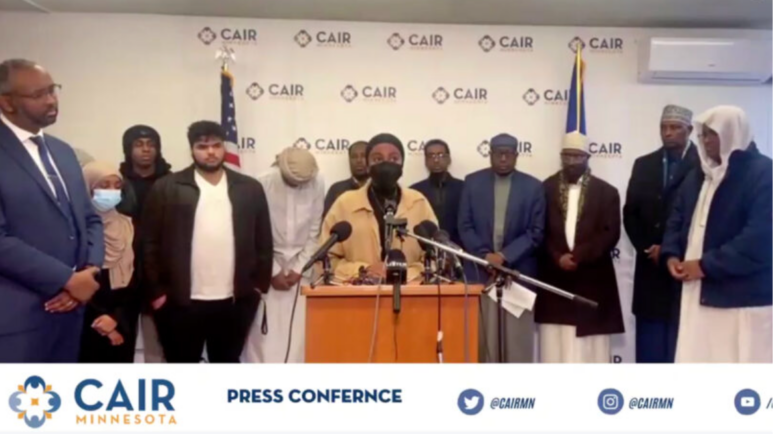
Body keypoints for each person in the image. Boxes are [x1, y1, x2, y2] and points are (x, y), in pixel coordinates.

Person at [143, 120, 273, 363]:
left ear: (224, 147)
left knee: (226, 364)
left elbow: (263, 240)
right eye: (203, 146)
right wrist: (157, 292)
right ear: (192, 149)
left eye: (216, 145)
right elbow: (149, 243)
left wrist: (257, 288)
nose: (210, 152)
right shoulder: (167, 187)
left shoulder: (249, 188)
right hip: (179, 301)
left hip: (235, 301)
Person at [0, 59, 103, 362]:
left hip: (70, 315)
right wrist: (65, 279)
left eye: (52, 90)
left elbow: (90, 219)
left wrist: (88, 272)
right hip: (17, 320)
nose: (51, 100)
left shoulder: (63, 151)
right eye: (38, 94)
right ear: (7, 102)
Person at [662, 105, 772, 363]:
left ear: (732, 132)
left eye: (713, 133)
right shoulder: (698, 175)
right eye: (703, 134)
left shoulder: (764, 173)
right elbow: (676, 221)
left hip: (741, 299)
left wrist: (705, 266)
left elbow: (760, 239)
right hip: (696, 291)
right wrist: (671, 255)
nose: (706, 141)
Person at [535, 132, 624, 363]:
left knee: (590, 351)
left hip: (592, 279)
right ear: (561, 157)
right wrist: (557, 257)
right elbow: (538, 230)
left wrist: (578, 256)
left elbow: (609, 233)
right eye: (567, 156)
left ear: (587, 157)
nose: (572, 162)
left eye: (577, 156)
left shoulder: (606, 192)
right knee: (555, 347)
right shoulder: (544, 188)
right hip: (555, 278)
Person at [623, 104, 700, 363]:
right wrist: (648, 247)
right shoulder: (644, 164)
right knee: (650, 349)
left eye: (675, 127)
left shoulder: (704, 166)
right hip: (650, 268)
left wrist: (669, 249)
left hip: (685, 267)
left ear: (689, 130)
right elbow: (630, 213)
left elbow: (701, 217)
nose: (668, 133)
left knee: (682, 349)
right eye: (664, 127)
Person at [458, 133, 545, 363]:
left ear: (516, 155)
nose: (503, 159)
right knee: (483, 340)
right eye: (498, 154)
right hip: (481, 272)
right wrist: (486, 256)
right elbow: (464, 225)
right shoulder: (472, 182)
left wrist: (504, 256)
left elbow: (535, 232)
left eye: (508, 154)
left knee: (516, 344)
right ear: (490, 155)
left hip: (518, 273)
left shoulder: (533, 186)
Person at [242, 147, 324, 363]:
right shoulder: (262, 182)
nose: (298, 185)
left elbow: (315, 232)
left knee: (299, 342)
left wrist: (299, 269)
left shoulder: (318, 182)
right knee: (263, 341)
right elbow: (253, 233)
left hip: (301, 272)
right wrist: (273, 271)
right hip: (266, 269)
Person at [322, 133, 437, 283]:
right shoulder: (345, 203)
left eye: (393, 159)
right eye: (378, 159)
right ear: (368, 165)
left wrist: (401, 273)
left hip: (410, 293)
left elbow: (434, 258)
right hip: (358, 293)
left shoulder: (418, 202)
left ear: (402, 165)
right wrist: (363, 270)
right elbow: (326, 259)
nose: (386, 164)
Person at [116, 125, 172, 363]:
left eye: (151, 144)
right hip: (124, 276)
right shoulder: (115, 183)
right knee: (120, 344)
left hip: (159, 275)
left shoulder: (173, 183)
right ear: (128, 149)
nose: (146, 150)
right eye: (139, 145)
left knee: (159, 350)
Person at [78, 162, 138, 363]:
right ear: (87, 187)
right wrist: (102, 321)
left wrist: (116, 318)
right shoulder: (76, 231)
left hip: (123, 318)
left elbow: (137, 278)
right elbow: (74, 281)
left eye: (117, 186)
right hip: (84, 318)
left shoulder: (129, 226)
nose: (111, 191)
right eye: (104, 186)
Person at [410, 139, 465, 246]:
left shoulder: (464, 188)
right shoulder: (415, 191)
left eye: (440, 155)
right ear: (425, 161)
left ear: (449, 159)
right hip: (425, 248)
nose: (436, 160)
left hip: (459, 248)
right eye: (431, 156)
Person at [323, 140, 368, 217]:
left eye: (363, 156)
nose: (359, 160)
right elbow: (327, 220)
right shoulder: (337, 190)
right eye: (354, 157)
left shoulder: (380, 189)